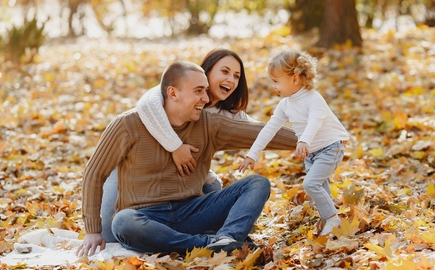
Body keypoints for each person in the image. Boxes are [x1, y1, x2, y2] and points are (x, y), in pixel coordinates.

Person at [76, 60, 297, 257]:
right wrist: (93, 231)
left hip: (193, 210)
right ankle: (210, 244)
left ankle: (227, 238)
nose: (206, 98)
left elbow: (261, 132)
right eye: (199, 91)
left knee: (257, 183)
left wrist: (313, 139)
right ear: (173, 94)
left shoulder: (209, 124)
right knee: (123, 222)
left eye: (206, 90)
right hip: (145, 215)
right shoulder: (127, 124)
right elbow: (94, 173)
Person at [100, 49, 257, 243]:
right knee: (109, 235)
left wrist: (304, 137)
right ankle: (186, 237)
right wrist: (175, 146)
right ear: (206, 72)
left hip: (183, 185)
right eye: (224, 72)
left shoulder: (229, 114)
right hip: (138, 176)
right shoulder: (176, 91)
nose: (231, 80)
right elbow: (146, 106)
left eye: (236, 76)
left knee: (213, 185)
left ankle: (215, 239)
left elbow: (260, 131)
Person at [238, 48, 350, 236]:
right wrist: (252, 153)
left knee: (311, 183)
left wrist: (304, 140)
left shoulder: (313, 99)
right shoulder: (285, 104)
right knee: (320, 185)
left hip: (331, 147)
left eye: (276, 81)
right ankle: (329, 224)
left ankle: (333, 219)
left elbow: (316, 120)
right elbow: (269, 129)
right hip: (312, 153)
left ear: (295, 79)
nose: (274, 87)